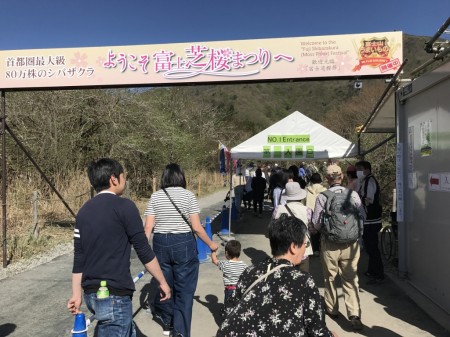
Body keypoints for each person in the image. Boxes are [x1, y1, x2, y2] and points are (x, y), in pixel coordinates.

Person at [67, 158, 171, 337]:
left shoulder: (83, 212)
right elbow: (144, 251)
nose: (124, 180)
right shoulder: (125, 207)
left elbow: (79, 258)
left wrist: (76, 294)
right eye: (123, 176)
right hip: (115, 295)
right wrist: (162, 281)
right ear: (114, 179)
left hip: (92, 294)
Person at [216, 214, 337, 337]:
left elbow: (227, 310)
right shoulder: (304, 281)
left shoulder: (250, 271)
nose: (305, 250)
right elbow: (317, 331)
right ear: (294, 247)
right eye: (305, 245)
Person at [144, 163, 219, 337]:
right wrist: (211, 244)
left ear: (164, 178)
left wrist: (144, 252)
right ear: (181, 177)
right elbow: (197, 227)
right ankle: (180, 332)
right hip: (183, 243)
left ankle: (168, 322)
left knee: (165, 285)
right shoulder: (188, 196)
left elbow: (148, 228)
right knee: (184, 291)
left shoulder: (155, 197)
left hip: (160, 242)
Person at [312, 164, 365, 330]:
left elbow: (317, 223)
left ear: (327, 179)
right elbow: (362, 215)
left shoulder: (323, 196)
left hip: (330, 243)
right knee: (350, 278)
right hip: (351, 243)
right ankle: (354, 313)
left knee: (330, 277)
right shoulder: (353, 194)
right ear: (341, 177)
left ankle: (332, 309)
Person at [355, 160, 385, 283]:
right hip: (370, 219)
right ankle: (372, 270)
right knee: (370, 247)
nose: (358, 172)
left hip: (371, 220)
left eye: (359, 169)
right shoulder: (365, 181)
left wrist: (358, 199)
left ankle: (378, 273)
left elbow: (369, 199)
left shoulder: (369, 181)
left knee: (372, 247)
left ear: (366, 170)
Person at [274, 181, 313, 272]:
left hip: (284, 250)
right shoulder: (307, 210)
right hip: (303, 250)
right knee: (302, 277)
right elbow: (312, 229)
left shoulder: (278, 209)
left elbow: (274, 227)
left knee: (285, 278)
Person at [211, 240, 248, 305]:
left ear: (226, 253)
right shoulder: (244, 265)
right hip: (240, 290)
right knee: (238, 308)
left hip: (229, 290)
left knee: (228, 308)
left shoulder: (225, 264)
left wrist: (213, 251)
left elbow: (214, 260)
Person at [304, 172, 327, 256]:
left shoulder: (307, 189)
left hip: (310, 212)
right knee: (322, 230)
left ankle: (315, 249)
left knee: (313, 231)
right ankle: (322, 248)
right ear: (320, 180)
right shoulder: (325, 190)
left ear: (311, 180)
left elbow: (303, 202)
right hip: (322, 212)